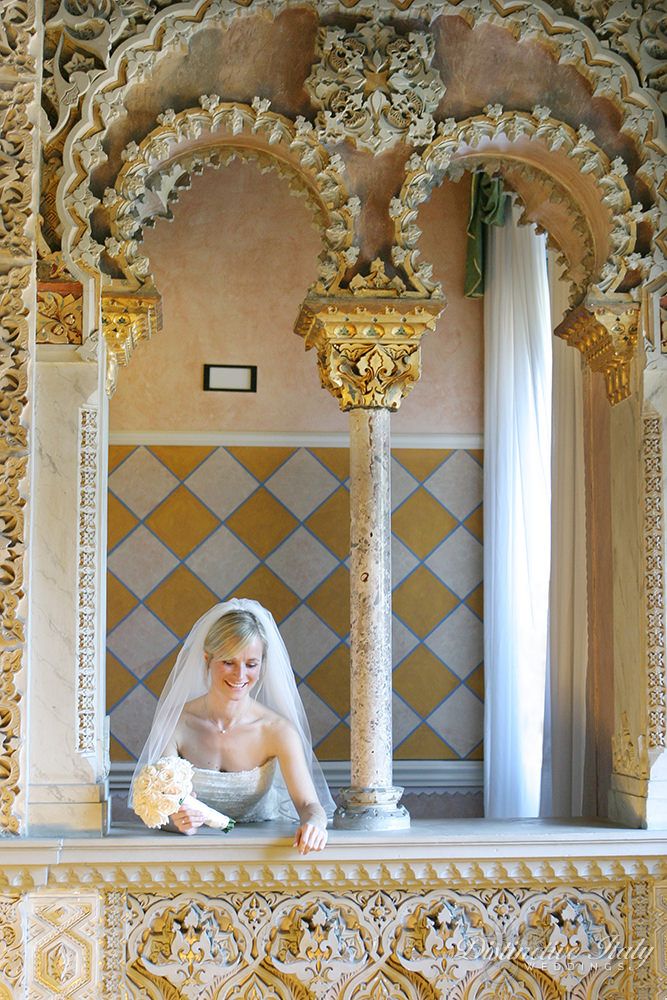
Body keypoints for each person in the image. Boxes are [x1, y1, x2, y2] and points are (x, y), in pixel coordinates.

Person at [130, 599, 334, 853]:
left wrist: (315, 823)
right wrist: (176, 822)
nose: (240, 676)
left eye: (251, 664)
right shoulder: (175, 723)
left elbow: (308, 804)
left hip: (261, 850)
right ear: (207, 659)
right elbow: (162, 806)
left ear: (262, 664)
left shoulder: (277, 731)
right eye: (228, 662)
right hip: (192, 852)